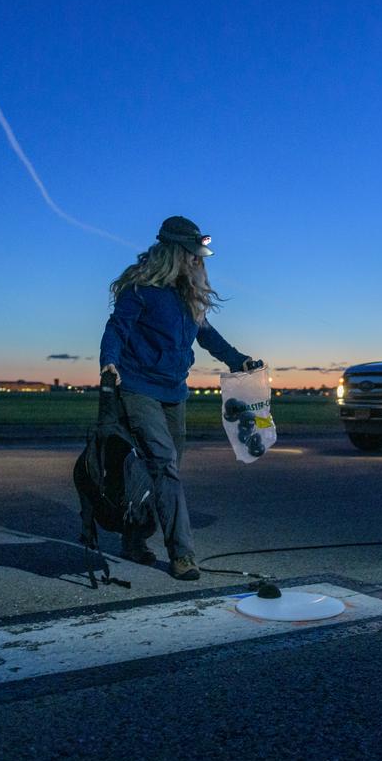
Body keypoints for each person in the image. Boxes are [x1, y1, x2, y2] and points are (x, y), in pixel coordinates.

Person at [98, 216, 261, 581]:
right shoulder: (140, 289)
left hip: (174, 392)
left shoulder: (188, 295)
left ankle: (133, 536)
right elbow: (117, 327)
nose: (198, 261)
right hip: (137, 387)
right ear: (175, 252)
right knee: (164, 461)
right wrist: (109, 361)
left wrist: (239, 360)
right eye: (193, 255)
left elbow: (208, 336)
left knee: (163, 469)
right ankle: (182, 555)